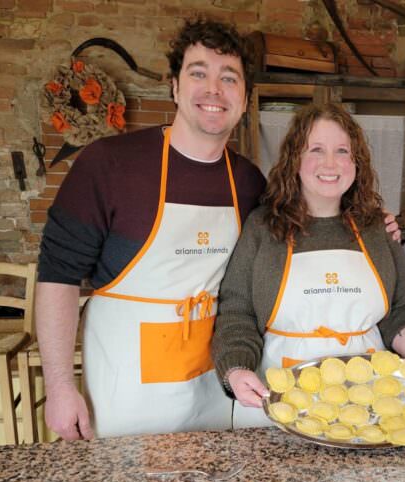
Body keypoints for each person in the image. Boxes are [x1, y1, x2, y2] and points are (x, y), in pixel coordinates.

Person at [36, 18, 266, 439]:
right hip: (125, 390)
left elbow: (288, 246)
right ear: (175, 87)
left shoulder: (249, 182)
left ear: (245, 97)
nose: (214, 90)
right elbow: (57, 277)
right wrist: (60, 385)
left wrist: (380, 226)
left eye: (229, 78)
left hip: (213, 388)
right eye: (198, 73)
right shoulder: (108, 164)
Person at [212, 103, 405, 427]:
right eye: (316, 150)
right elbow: (238, 313)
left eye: (342, 151)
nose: (330, 163)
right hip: (277, 401)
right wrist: (236, 369)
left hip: (367, 401)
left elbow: (400, 309)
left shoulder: (376, 229)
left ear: (356, 162)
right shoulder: (263, 228)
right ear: (294, 159)